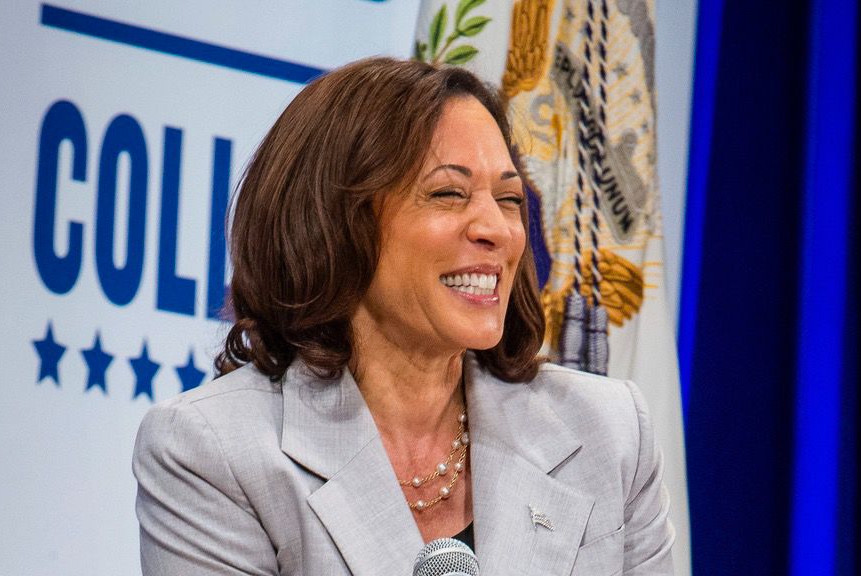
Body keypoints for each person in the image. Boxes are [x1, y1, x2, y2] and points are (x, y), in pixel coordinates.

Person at [133, 57, 674, 575]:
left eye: (509, 199)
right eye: (448, 193)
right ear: (335, 224)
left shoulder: (609, 433)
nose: (497, 229)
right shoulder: (214, 452)